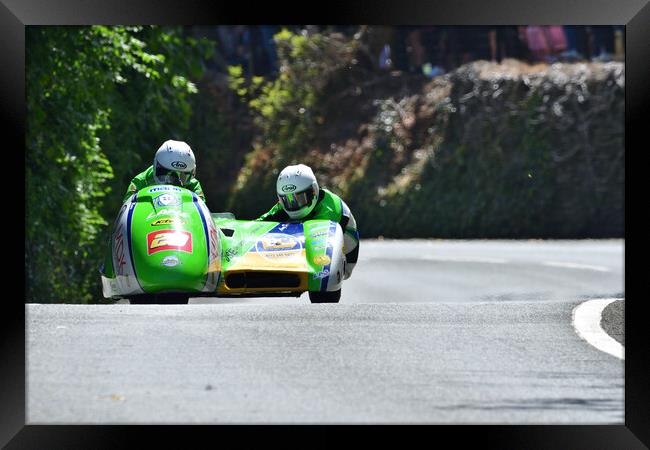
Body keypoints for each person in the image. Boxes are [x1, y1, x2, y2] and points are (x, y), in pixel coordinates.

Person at [257, 164, 359, 279]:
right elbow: (259, 224)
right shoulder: (282, 206)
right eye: (288, 200)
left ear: (314, 191)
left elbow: (316, 241)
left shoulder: (329, 208)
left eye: (300, 198)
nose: (293, 205)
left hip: (345, 252)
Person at [123, 139, 205, 202]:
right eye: (166, 173)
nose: (172, 182)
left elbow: (201, 210)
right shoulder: (139, 182)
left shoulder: (193, 185)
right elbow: (127, 208)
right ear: (156, 166)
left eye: (183, 175)